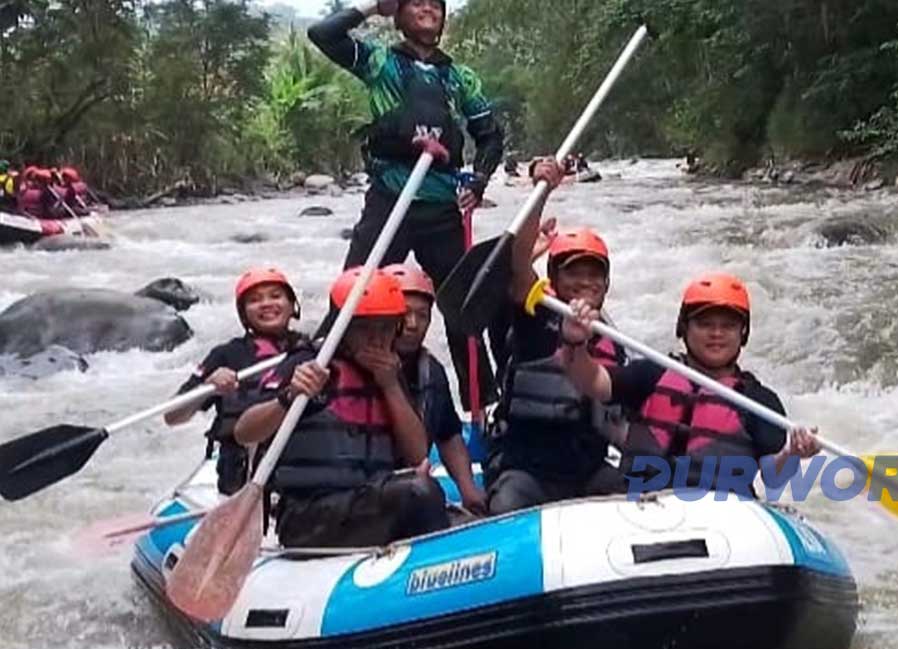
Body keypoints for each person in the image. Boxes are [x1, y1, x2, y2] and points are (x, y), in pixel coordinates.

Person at [308, 0, 505, 404]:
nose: (428, 9)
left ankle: (482, 409)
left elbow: (489, 134)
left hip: (441, 206)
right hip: (389, 199)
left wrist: (480, 180)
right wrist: (371, 8)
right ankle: (320, 394)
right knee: (352, 295)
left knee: (463, 307)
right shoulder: (380, 62)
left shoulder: (459, 77)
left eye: (435, 4)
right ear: (399, 15)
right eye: (416, 2)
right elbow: (323, 35)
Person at [559, 272, 822, 498]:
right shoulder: (653, 372)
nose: (716, 334)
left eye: (728, 326)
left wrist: (793, 453)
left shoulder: (758, 400)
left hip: (720, 519)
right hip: (641, 508)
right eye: (705, 324)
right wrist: (576, 343)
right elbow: (593, 382)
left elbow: (774, 478)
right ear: (684, 328)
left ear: (743, 333)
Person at [235, 268, 445, 548]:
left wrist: (390, 386)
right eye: (365, 328)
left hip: (365, 505)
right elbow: (244, 431)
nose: (376, 339)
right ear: (343, 328)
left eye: (384, 328)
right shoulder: (310, 363)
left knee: (423, 489)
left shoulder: (391, 373)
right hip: (308, 517)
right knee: (419, 491)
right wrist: (288, 396)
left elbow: (417, 453)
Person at [484, 159, 629, 515]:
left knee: (632, 496)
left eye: (594, 275)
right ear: (554, 278)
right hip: (527, 472)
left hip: (587, 472)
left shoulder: (612, 338)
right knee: (507, 502)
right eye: (573, 273)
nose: (584, 283)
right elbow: (519, 268)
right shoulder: (536, 316)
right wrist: (542, 191)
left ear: (607, 283)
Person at [164, 268, 310, 495]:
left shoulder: (314, 351)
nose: (266, 304)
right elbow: (172, 416)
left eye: (275, 296)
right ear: (243, 314)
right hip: (240, 476)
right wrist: (207, 388)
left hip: (299, 471)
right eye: (254, 300)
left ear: (292, 306)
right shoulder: (227, 355)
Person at [383, 262, 487, 515]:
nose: (413, 324)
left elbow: (448, 434)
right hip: (365, 485)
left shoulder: (431, 371)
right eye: (403, 313)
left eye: (423, 315)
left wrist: (467, 488)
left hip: (407, 480)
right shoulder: (348, 366)